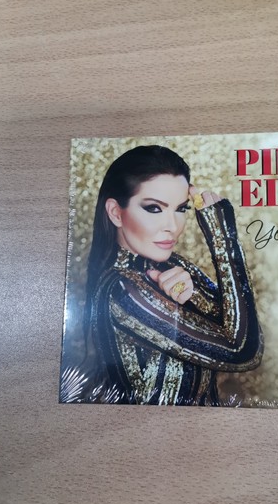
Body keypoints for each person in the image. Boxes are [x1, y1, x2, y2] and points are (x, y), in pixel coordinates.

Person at [61, 144, 263, 405]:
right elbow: (243, 351)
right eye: (154, 208)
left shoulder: (172, 266)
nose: (172, 227)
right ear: (116, 213)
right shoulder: (122, 291)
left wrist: (193, 297)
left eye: (181, 209)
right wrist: (224, 238)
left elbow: (240, 327)